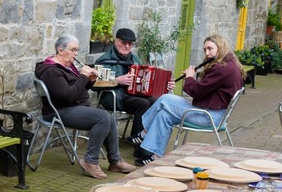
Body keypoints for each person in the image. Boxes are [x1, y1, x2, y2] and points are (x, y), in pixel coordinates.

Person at [34, 35, 136, 179]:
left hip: (72, 107)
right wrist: (83, 76)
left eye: (77, 50)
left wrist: (89, 81)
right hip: (58, 111)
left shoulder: (67, 67)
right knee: (102, 118)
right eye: (73, 50)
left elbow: (77, 91)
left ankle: (115, 161)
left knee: (109, 118)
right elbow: (67, 96)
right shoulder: (51, 71)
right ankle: (90, 161)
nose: (76, 54)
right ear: (61, 50)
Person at [134, 34, 245, 166]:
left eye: (210, 48)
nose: (207, 53)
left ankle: (143, 133)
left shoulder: (222, 68)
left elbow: (197, 92)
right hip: (215, 113)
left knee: (165, 99)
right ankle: (156, 156)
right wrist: (190, 79)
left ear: (220, 47)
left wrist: (189, 77)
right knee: (164, 114)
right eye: (205, 50)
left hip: (210, 116)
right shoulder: (230, 64)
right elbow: (206, 88)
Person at [95, 28, 174, 146]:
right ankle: (137, 140)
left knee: (157, 102)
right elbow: (95, 84)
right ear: (116, 41)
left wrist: (165, 85)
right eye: (123, 42)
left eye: (130, 43)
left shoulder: (135, 59)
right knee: (142, 103)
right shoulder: (104, 60)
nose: (127, 46)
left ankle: (149, 138)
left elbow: (145, 81)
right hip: (112, 96)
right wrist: (117, 81)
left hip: (132, 95)